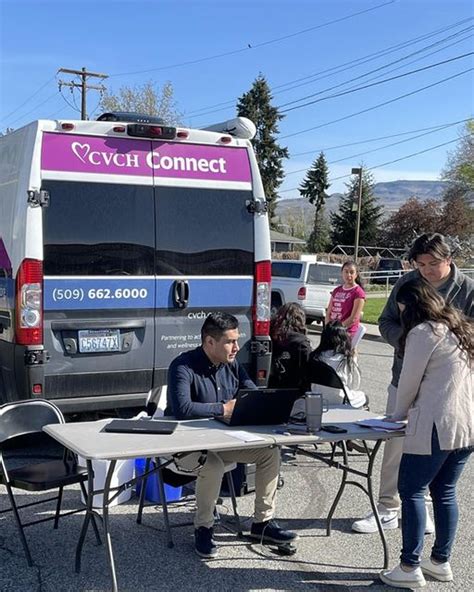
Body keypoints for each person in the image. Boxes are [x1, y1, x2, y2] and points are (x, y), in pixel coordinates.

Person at [352, 233, 474, 534]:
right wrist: (407, 343)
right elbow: (385, 322)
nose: (427, 270)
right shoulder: (407, 283)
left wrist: (443, 345)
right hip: (403, 374)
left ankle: (421, 509)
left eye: (433, 263)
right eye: (420, 264)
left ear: (449, 259)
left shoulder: (468, 290)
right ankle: (387, 508)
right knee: (395, 445)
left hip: (448, 388)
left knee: (435, 452)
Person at [166, 312, 297, 558]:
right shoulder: (182, 367)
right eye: (230, 341)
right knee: (212, 464)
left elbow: (251, 392)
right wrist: (222, 409)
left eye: (237, 340)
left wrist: (259, 404)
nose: (237, 347)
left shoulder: (233, 363)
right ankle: (203, 527)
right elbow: (182, 410)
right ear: (209, 342)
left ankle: (262, 524)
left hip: (225, 441)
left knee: (270, 452)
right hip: (186, 446)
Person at [379, 278, 473, 589]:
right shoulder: (459, 327)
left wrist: (395, 417)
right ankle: (440, 561)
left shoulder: (423, 332)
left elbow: (408, 382)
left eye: (402, 308)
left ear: (412, 306)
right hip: (467, 425)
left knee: (411, 490)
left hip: (435, 424)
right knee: (444, 491)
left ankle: (409, 566)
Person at [308, 320, 367, 408]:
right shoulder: (345, 359)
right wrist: (354, 359)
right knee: (364, 397)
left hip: (316, 398)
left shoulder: (315, 357)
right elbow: (354, 386)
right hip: (340, 400)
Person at [269, 302, 312, 390]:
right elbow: (308, 370)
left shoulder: (272, 336)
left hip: (273, 385)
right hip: (295, 390)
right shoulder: (302, 342)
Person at [325, 260, 366, 341]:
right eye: (346, 272)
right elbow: (329, 312)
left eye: (351, 272)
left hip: (346, 333)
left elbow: (353, 318)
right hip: (332, 330)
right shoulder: (337, 290)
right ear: (342, 273)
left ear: (356, 275)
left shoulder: (358, 292)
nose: (348, 275)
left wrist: (337, 329)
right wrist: (328, 327)